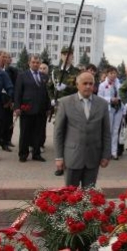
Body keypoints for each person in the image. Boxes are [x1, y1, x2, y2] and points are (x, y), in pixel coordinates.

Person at [54, 71, 111, 187]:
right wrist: (59, 157)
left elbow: (106, 132)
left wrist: (106, 155)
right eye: (85, 83)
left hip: (93, 158)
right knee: (70, 197)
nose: (88, 86)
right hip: (72, 157)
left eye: (91, 84)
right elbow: (58, 132)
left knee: (89, 197)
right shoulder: (65, 103)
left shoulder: (102, 104)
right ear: (77, 84)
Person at [48, 47, 79, 175]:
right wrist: (51, 99)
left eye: (70, 54)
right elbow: (49, 87)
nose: (67, 57)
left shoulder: (77, 72)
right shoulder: (55, 72)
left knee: (71, 135)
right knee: (59, 134)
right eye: (65, 54)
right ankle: (59, 163)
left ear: (72, 56)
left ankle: (70, 162)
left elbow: (80, 88)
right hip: (59, 106)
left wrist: (67, 87)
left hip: (72, 106)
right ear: (61, 56)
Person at [14, 55, 51, 163]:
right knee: (25, 133)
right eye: (33, 62)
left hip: (40, 110)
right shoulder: (22, 76)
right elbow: (18, 92)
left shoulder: (44, 77)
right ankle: (23, 154)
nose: (35, 64)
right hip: (27, 109)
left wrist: (48, 108)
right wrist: (17, 107)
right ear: (29, 63)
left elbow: (47, 93)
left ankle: (36, 153)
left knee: (38, 133)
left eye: (37, 62)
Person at [98, 66, 122, 160]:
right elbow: (100, 97)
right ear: (107, 74)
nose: (113, 75)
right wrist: (110, 99)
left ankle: (114, 152)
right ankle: (106, 151)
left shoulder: (119, 84)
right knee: (108, 131)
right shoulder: (103, 85)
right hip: (109, 109)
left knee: (116, 131)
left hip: (118, 109)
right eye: (111, 73)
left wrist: (120, 101)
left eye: (114, 73)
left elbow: (123, 95)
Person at [39, 62, 50, 152]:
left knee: (42, 126)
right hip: (35, 106)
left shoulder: (50, 80)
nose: (42, 70)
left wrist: (49, 108)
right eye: (41, 68)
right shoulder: (36, 78)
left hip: (45, 106)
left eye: (44, 68)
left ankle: (40, 144)